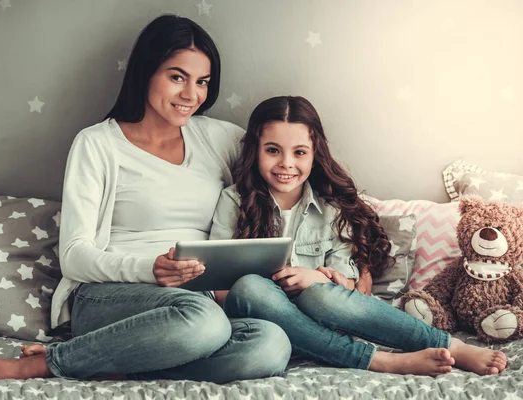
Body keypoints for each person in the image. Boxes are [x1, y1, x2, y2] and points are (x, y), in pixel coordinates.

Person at [0, 14, 291, 383]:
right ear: (145, 72)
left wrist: (355, 240)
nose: (192, 95)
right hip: (110, 295)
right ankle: (38, 365)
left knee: (271, 344)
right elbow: (74, 255)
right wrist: (149, 269)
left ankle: (117, 360)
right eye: (177, 77)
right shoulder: (98, 144)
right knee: (204, 322)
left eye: (202, 82)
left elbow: (292, 171)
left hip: (196, 302)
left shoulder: (220, 139)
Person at [209, 95, 508, 376]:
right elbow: (219, 287)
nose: (287, 163)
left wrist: (318, 278)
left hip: (320, 315)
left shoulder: (331, 209)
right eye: (273, 150)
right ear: (255, 150)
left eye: (299, 152)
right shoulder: (234, 201)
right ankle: (380, 360)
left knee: (320, 294)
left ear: (315, 155)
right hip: (264, 315)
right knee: (249, 287)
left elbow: (349, 288)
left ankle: (450, 345)